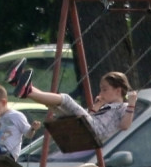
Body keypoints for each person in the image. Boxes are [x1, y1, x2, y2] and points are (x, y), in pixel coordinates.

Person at [9, 62, 138, 147]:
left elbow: (125, 125)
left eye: (105, 89)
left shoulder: (124, 107)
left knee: (66, 99)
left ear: (118, 90)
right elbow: (89, 117)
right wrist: (96, 107)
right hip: (88, 127)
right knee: (55, 106)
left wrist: (131, 104)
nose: (101, 93)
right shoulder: (105, 106)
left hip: (96, 132)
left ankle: (26, 90)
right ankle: (21, 85)